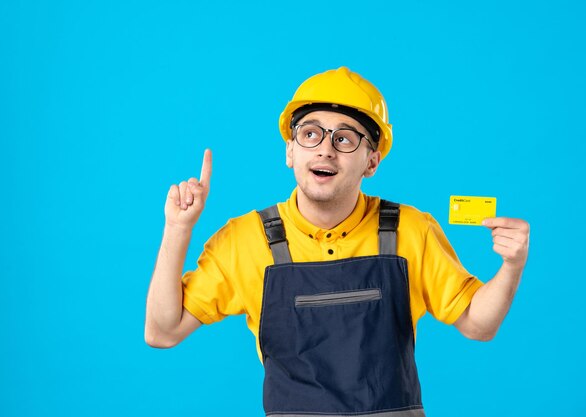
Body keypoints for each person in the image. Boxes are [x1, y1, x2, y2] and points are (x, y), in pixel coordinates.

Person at [144, 67, 530, 417]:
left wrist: (511, 266)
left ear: (371, 162)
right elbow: (162, 331)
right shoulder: (245, 240)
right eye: (310, 134)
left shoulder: (410, 231)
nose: (325, 148)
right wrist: (177, 229)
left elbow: (479, 325)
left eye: (345, 139)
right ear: (290, 151)